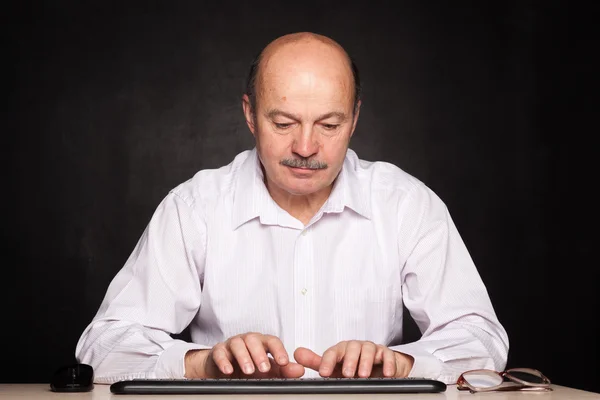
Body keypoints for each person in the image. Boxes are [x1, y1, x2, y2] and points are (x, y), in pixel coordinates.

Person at [76, 32, 508, 384]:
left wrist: (402, 365)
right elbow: (104, 347)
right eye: (283, 124)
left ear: (355, 119)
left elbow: (481, 340)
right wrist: (201, 364)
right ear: (250, 114)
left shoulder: (407, 204)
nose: (305, 147)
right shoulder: (194, 207)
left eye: (330, 124)